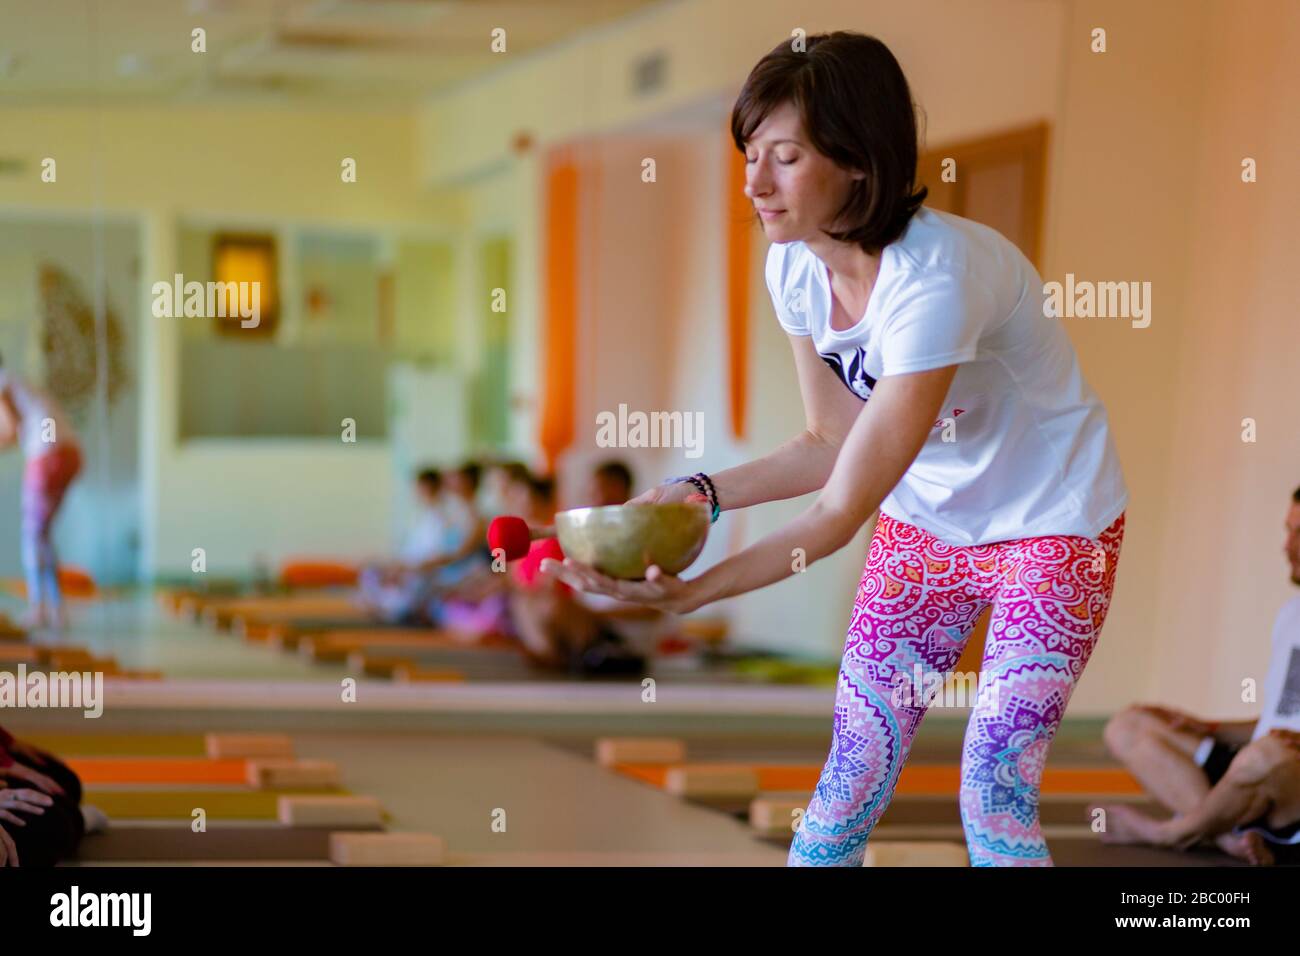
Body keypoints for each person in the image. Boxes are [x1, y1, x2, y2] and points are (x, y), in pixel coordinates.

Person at [546, 32, 1129, 866]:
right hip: (928, 528)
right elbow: (829, 441)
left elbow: (840, 509)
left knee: (993, 789)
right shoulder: (794, 268)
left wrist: (697, 592)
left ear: (858, 162)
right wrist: (698, 493)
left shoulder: (935, 282)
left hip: (1054, 525)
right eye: (750, 154)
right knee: (851, 776)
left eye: (784, 157)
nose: (754, 183)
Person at [1091, 485, 1300, 864]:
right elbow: (1277, 719)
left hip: (1286, 784)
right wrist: (1207, 726)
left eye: (1299, 533)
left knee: (1263, 755)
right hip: (1255, 764)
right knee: (1129, 725)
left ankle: (1169, 832)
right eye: (1288, 530)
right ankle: (1225, 836)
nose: (1286, 545)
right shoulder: (1291, 613)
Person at [0, 353, 83, 631]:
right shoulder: (18, 382)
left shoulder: (2, 383)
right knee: (40, 535)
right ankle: (55, 609)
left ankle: (40, 608)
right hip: (69, 453)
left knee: (32, 534)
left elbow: (11, 429)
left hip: (47, 455)